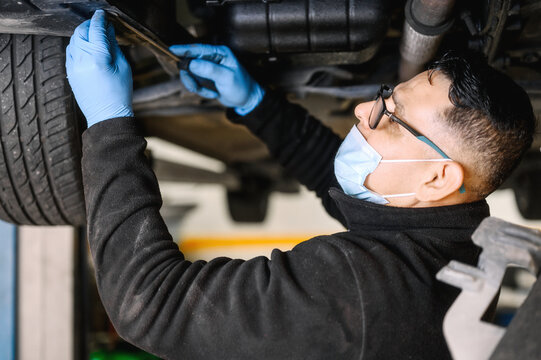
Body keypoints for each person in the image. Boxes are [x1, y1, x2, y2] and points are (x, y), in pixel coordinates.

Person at [66, 10, 535, 360]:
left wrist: (109, 124)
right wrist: (254, 101)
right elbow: (336, 182)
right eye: (384, 98)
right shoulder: (445, 241)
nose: (362, 113)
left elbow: (148, 303)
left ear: (437, 178)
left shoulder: (360, 290)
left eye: (390, 118)